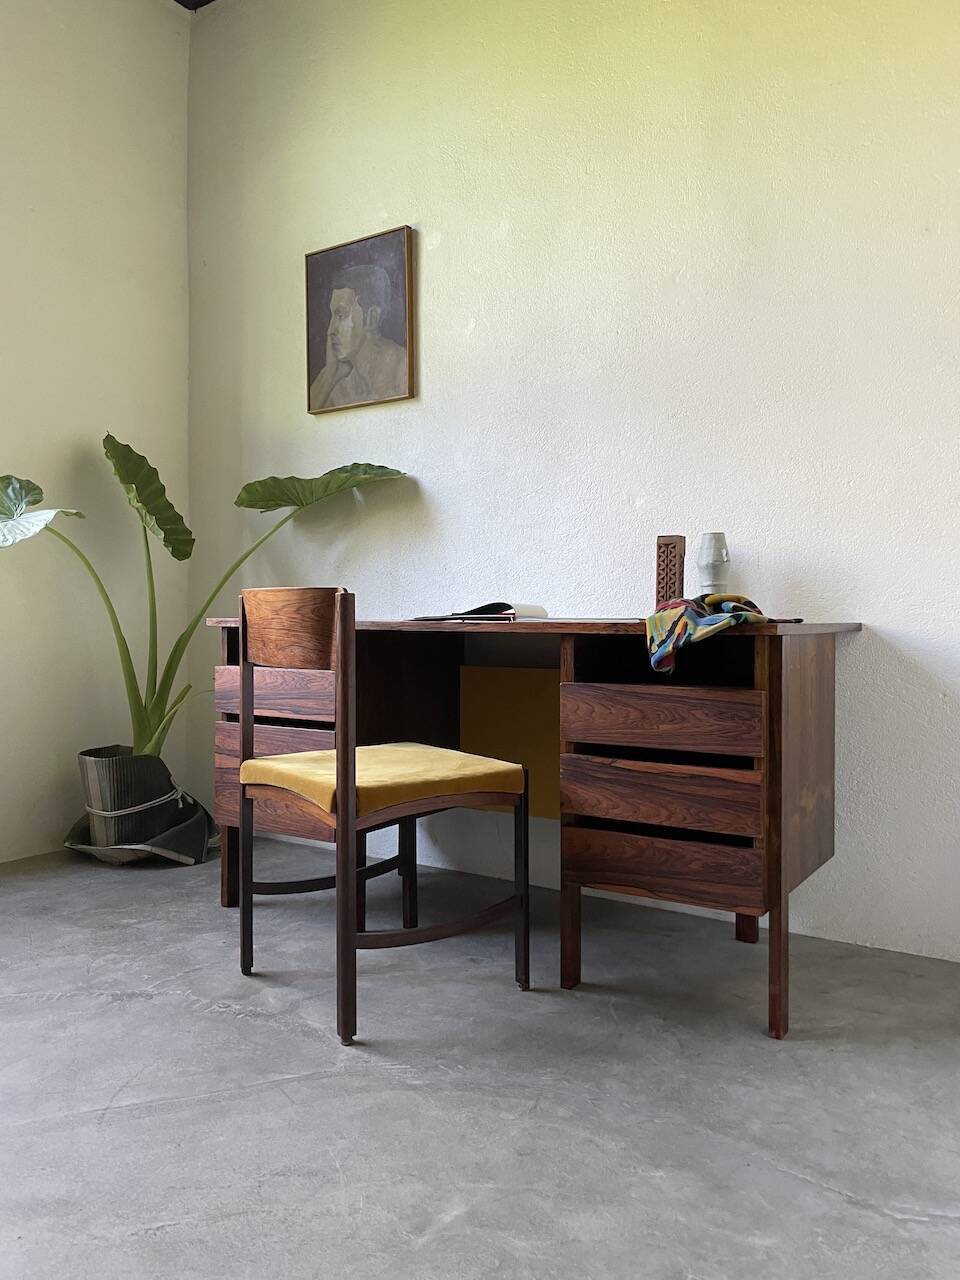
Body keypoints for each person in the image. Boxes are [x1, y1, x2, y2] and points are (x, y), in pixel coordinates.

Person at [309, 264, 408, 411]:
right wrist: (330, 372)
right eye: (332, 316)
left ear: (371, 317)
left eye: (341, 316)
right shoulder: (341, 380)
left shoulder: (403, 368)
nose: (330, 330)